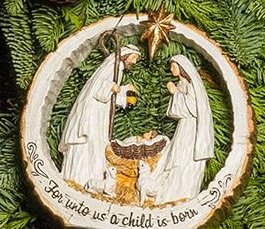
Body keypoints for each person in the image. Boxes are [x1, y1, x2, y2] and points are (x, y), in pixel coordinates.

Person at [59, 45, 139, 192]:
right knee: (88, 145)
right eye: (133, 58)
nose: (133, 62)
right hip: (91, 113)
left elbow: (110, 96)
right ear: (125, 55)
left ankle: (91, 181)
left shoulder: (118, 68)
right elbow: (98, 89)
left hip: (100, 113)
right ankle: (77, 179)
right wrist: (114, 88)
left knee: (97, 147)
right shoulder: (111, 65)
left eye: (136, 59)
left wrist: (124, 94)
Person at [140, 54, 215, 205]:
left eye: (173, 66)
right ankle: (169, 195)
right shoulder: (182, 85)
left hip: (192, 128)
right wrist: (176, 92)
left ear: (181, 68)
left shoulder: (191, 85)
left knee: (184, 158)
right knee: (175, 157)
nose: (171, 69)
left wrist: (175, 93)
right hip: (183, 126)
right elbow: (175, 112)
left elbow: (193, 108)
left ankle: (183, 194)